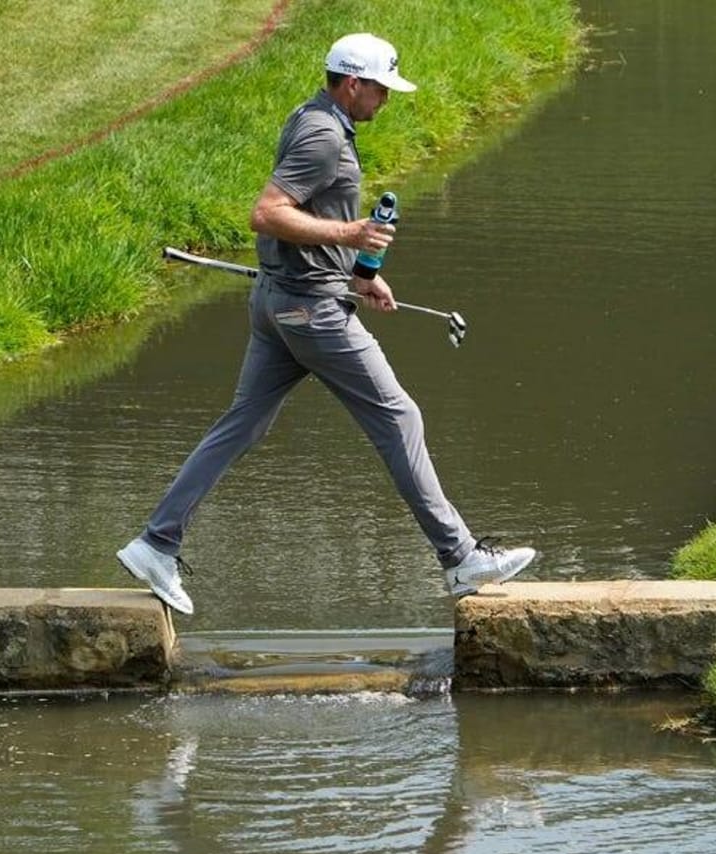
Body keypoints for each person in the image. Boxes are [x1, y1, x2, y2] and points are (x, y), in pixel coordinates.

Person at [118, 33, 535, 615]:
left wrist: (359, 274)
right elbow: (267, 214)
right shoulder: (322, 135)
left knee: (243, 425)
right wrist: (351, 236)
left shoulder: (314, 117)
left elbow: (308, 216)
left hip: (280, 302)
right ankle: (460, 557)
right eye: (381, 89)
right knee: (399, 417)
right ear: (354, 83)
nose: (386, 100)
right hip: (309, 313)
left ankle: (156, 544)